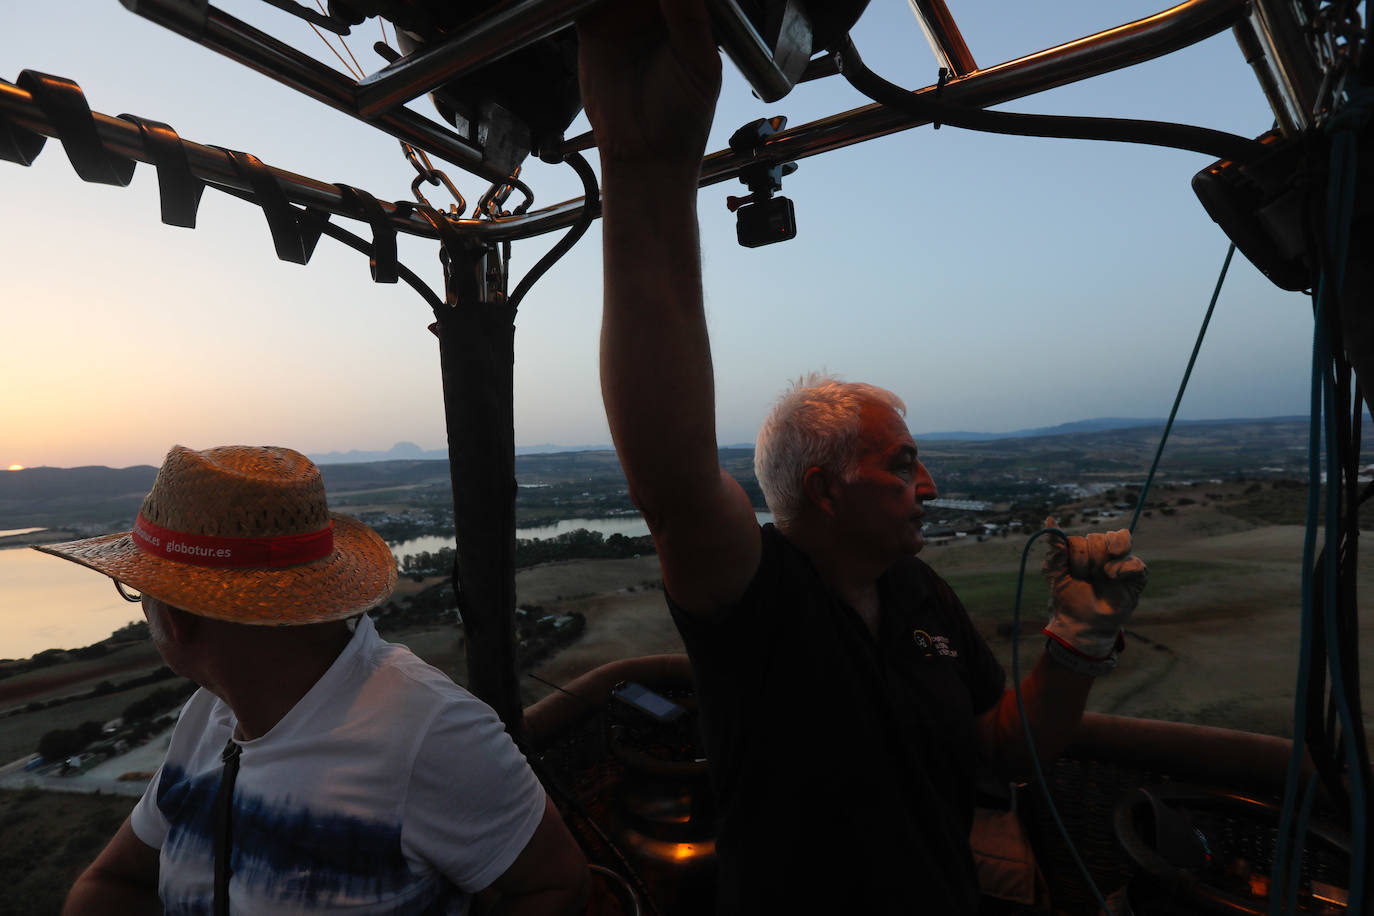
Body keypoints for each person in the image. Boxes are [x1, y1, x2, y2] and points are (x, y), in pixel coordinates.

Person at [578, 2, 1148, 912]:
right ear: (825, 492)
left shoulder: (919, 595)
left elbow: (996, 745)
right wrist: (645, 169)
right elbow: (675, 474)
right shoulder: (757, 600)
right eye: (902, 466)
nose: (930, 486)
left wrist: (1078, 646)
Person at [40, 445, 588, 915]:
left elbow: (557, 887)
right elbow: (114, 880)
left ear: (178, 620)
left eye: (136, 593)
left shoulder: (433, 732)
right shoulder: (209, 716)